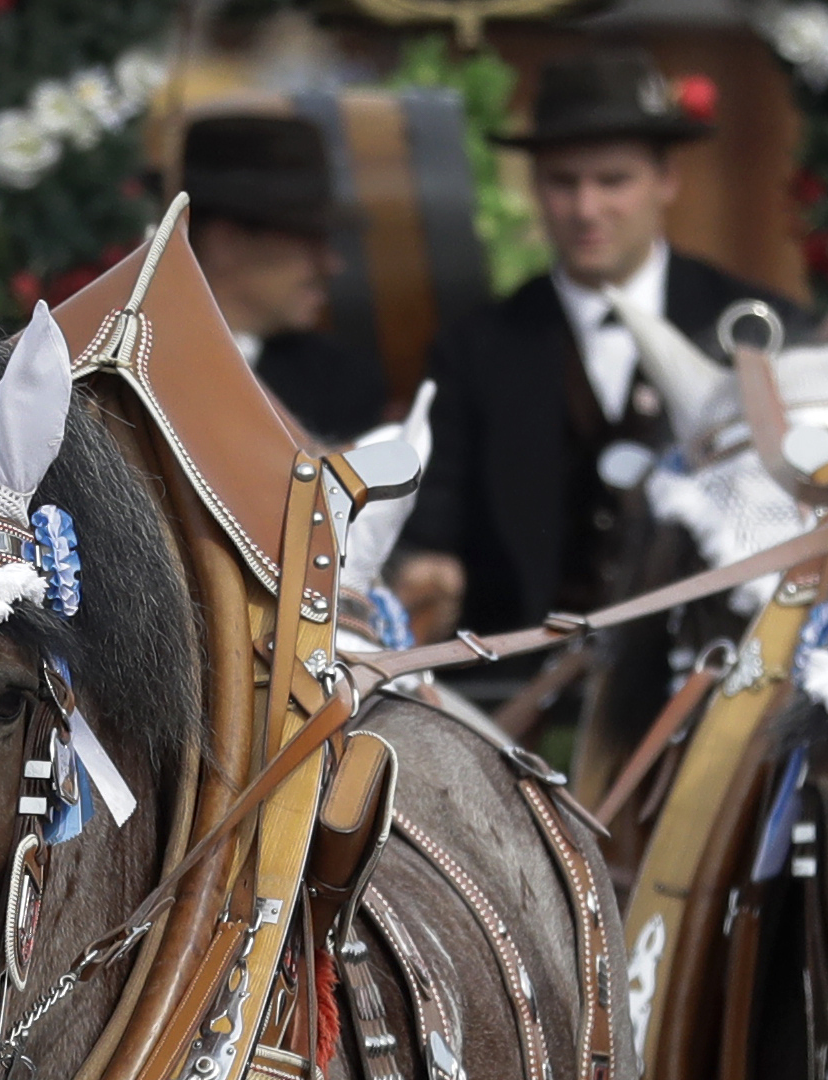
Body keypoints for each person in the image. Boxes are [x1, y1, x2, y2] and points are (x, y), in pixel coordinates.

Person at [389, 50, 784, 643]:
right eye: (562, 182)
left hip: (706, 673)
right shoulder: (477, 347)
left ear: (666, 181)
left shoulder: (751, 331)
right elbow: (433, 520)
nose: (585, 209)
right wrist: (426, 571)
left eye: (613, 181)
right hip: (520, 689)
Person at [180, 109, 389, 444]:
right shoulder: (130, 357)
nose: (332, 264)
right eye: (309, 240)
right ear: (226, 242)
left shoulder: (339, 383)